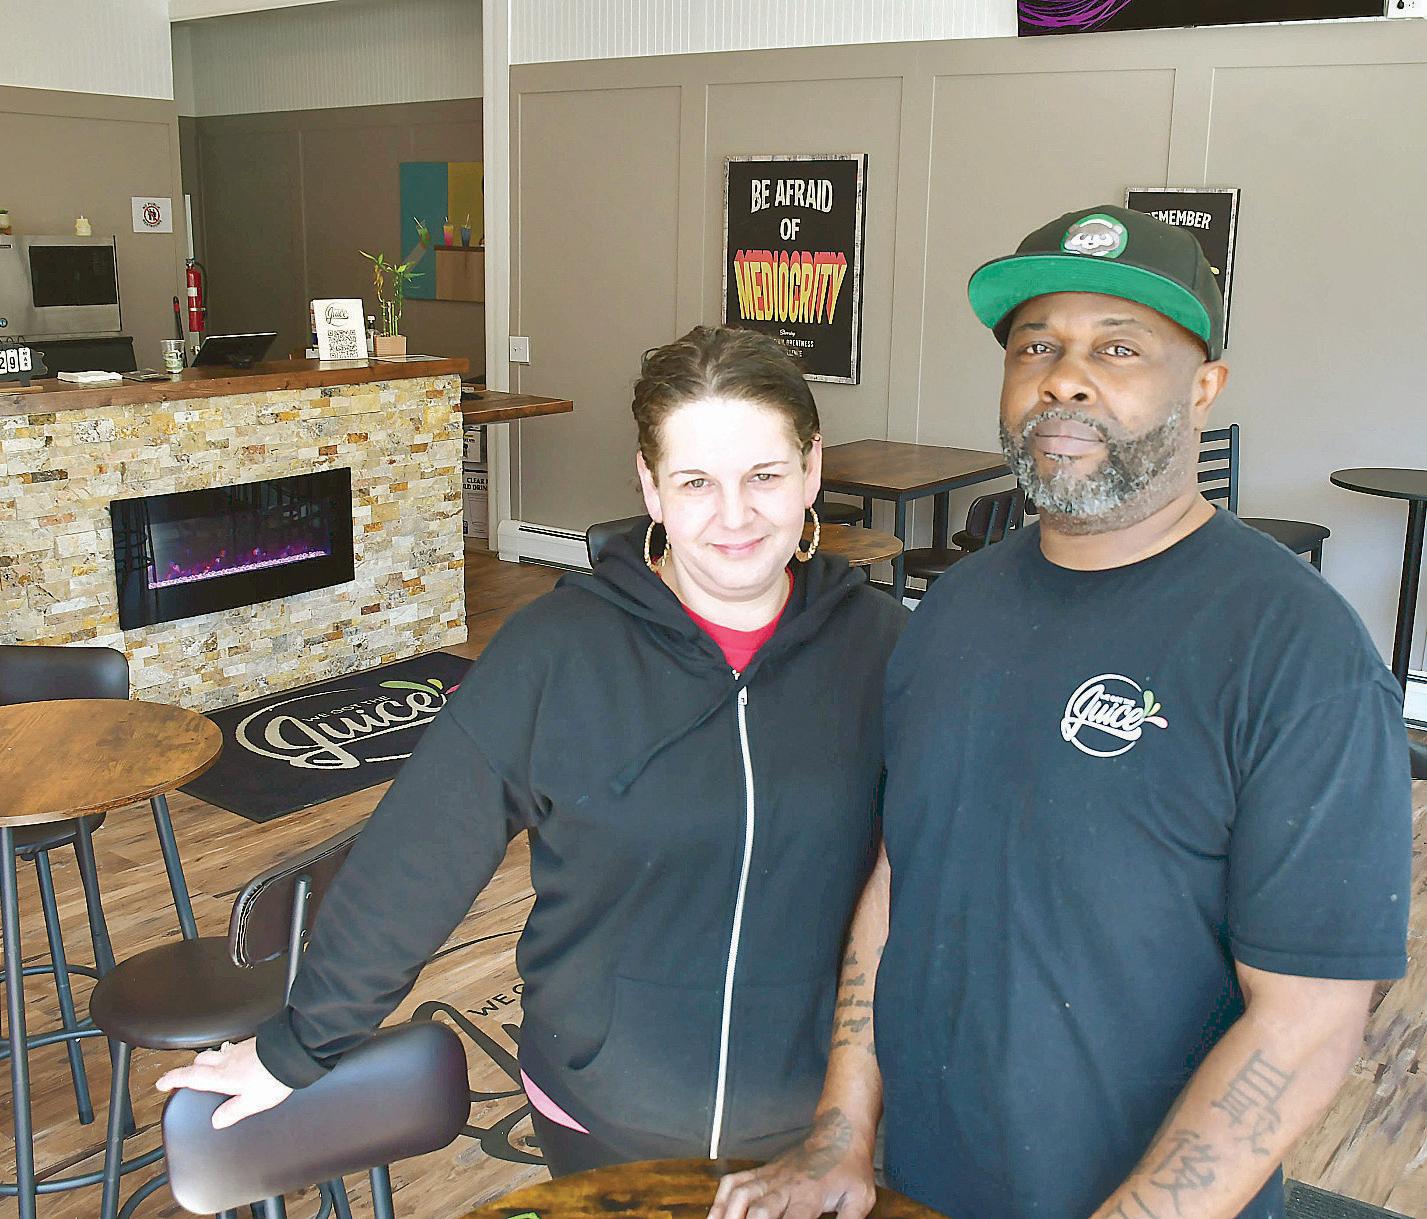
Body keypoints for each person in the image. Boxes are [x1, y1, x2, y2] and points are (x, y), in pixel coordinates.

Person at [711, 205, 1411, 1219]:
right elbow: (900, 877)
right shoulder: (951, 610)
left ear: (1203, 388)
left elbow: (1304, 1023)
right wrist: (840, 1132)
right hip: (921, 1183)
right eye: (1035, 346)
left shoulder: (1294, 652)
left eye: (1117, 348)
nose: (1063, 378)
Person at [156, 325, 906, 1175]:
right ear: (650, 486)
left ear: (810, 468)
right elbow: (418, 858)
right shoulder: (554, 652)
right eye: (696, 481)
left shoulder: (884, 651)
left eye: (763, 475)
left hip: (818, 1128)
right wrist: (297, 1046)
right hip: (602, 1113)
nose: (734, 515)